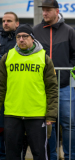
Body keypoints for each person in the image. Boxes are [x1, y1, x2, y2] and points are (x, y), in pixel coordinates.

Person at [0, 24, 58, 160]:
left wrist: (51, 114)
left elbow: (52, 88)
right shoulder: (7, 57)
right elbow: (1, 87)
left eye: (25, 36)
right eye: (18, 37)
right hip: (12, 113)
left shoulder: (44, 58)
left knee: (39, 154)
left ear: (32, 38)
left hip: (37, 115)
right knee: (12, 154)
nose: (21, 39)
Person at [33, 0, 75, 159]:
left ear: (56, 11)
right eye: (43, 10)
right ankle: (52, 157)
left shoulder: (68, 31)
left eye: (48, 10)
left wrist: (66, 73)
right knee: (49, 126)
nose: (44, 13)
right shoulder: (35, 31)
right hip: (42, 88)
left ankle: (70, 157)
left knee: (69, 125)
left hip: (64, 86)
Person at [0, 11, 19, 159]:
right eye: (4, 21)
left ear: (16, 23)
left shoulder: (21, 40)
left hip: (16, 89)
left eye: (9, 21)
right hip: (1, 88)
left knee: (13, 127)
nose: (5, 23)